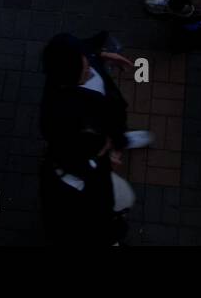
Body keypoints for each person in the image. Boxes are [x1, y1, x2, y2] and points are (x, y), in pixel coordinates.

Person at [38, 32, 153, 246]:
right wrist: (106, 151)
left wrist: (100, 55)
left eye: (86, 60)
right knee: (115, 202)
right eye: (84, 70)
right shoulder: (64, 116)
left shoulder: (73, 63)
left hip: (101, 137)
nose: (90, 69)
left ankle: (119, 139)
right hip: (92, 161)